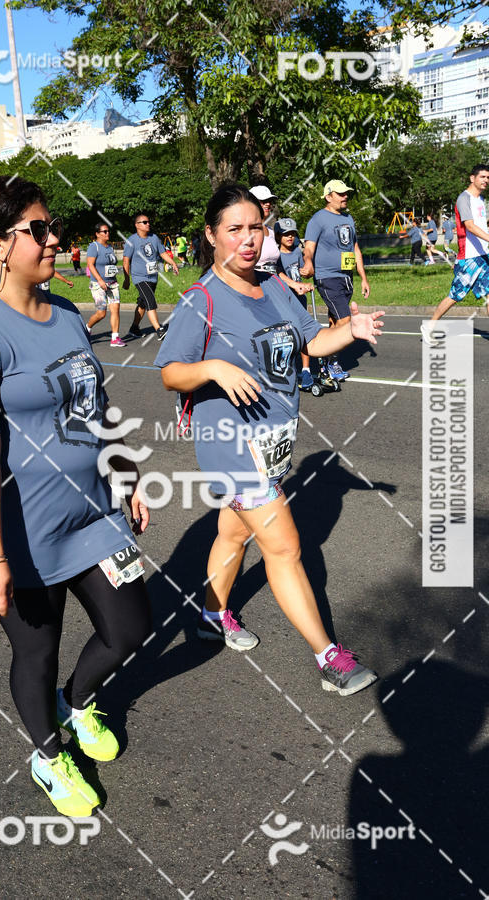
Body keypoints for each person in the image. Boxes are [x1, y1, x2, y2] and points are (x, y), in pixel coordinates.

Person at [0, 174, 151, 817]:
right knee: (37, 651)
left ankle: (77, 701)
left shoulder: (65, 314)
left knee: (131, 627)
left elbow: (96, 403)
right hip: (22, 529)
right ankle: (46, 754)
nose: (54, 239)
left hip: (92, 512)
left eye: (52, 227)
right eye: (38, 230)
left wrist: (126, 472)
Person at [155, 183, 383, 696]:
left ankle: (211, 616)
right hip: (230, 444)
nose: (248, 239)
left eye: (255, 227)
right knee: (284, 546)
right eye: (234, 229)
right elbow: (170, 372)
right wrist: (213, 367)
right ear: (211, 235)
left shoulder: (275, 286)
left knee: (233, 534)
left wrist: (351, 329)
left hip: (272, 440)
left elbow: (314, 341)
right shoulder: (201, 300)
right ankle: (329, 659)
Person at [301, 179, 370, 381]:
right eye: (340, 194)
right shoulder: (318, 219)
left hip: (346, 277)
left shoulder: (348, 218)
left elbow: (355, 249)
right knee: (345, 321)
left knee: (334, 321)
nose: (345, 196)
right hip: (327, 277)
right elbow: (309, 247)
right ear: (328, 196)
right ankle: (332, 363)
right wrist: (308, 262)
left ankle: (325, 360)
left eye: (346, 193)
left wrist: (363, 278)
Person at [421, 164, 489, 343]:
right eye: (482, 177)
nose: (486, 180)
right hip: (469, 257)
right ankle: (429, 326)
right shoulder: (463, 199)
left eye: (488, 177)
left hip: (483, 255)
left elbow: (481, 225)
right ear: (472, 178)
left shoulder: (481, 200)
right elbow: (469, 226)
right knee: (456, 295)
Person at [123, 213, 179, 341]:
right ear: (137, 225)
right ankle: (159, 330)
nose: (148, 224)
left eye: (148, 222)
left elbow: (162, 253)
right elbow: (126, 260)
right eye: (144, 222)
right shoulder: (132, 240)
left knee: (143, 303)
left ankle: (134, 328)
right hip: (139, 277)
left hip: (153, 277)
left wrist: (173, 263)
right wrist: (127, 279)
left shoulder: (154, 238)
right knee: (150, 300)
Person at [274, 217, 315, 390]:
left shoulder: (297, 252)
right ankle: (286, 369)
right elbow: (278, 275)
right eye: (286, 234)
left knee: (304, 333)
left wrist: (307, 275)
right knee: (285, 336)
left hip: (300, 300)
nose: (290, 237)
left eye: (292, 234)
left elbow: (303, 271)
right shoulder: (276, 256)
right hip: (284, 302)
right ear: (278, 236)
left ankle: (306, 370)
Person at [86, 223, 126, 347]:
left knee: (115, 309)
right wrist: (100, 280)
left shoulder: (109, 247)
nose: (107, 233)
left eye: (108, 231)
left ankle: (115, 338)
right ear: (97, 234)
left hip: (112, 283)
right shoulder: (94, 247)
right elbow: (90, 265)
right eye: (104, 231)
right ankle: (87, 328)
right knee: (101, 313)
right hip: (98, 284)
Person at [249, 185, 279, 274]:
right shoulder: (247, 232)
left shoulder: (270, 231)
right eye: (263, 201)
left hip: (273, 278)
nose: (268, 204)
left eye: (269, 201)